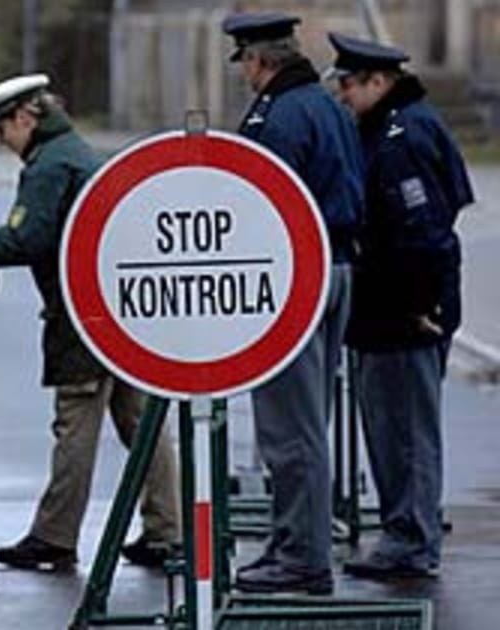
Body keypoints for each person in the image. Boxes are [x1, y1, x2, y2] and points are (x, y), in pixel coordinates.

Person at [0, 74, 181, 572]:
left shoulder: (48, 166)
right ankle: (168, 530)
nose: (4, 143)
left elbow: (30, 240)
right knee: (140, 423)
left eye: (2, 130)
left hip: (80, 318)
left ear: (25, 118)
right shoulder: (78, 151)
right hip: (116, 314)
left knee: (74, 424)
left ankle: (55, 537)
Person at [222, 13, 365, 595]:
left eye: (245, 65)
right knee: (306, 422)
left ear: (259, 60)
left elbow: (257, 199)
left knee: (291, 428)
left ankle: (303, 557)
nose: (244, 77)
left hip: (298, 274)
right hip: (334, 266)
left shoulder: (279, 115)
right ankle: (293, 542)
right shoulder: (325, 103)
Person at [328, 32, 474, 580]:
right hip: (390, 309)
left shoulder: (400, 137)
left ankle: (411, 540)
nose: (340, 93)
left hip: (401, 312)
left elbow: (425, 229)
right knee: (394, 428)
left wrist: (420, 304)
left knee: (404, 432)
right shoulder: (395, 125)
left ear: (378, 81)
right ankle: (407, 529)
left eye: (347, 83)